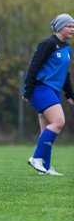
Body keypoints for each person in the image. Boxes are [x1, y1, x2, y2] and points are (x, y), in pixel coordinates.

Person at [23, 13, 74, 176]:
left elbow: (65, 73)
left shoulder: (67, 48)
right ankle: (37, 158)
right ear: (60, 27)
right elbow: (34, 66)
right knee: (58, 121)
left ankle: (45, 167)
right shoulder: (48, 43)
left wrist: (69, 94)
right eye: (69, 26)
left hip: (53, 91)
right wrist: (28, 90)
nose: (72, 29)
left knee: (47, 128)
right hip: (41, 88)